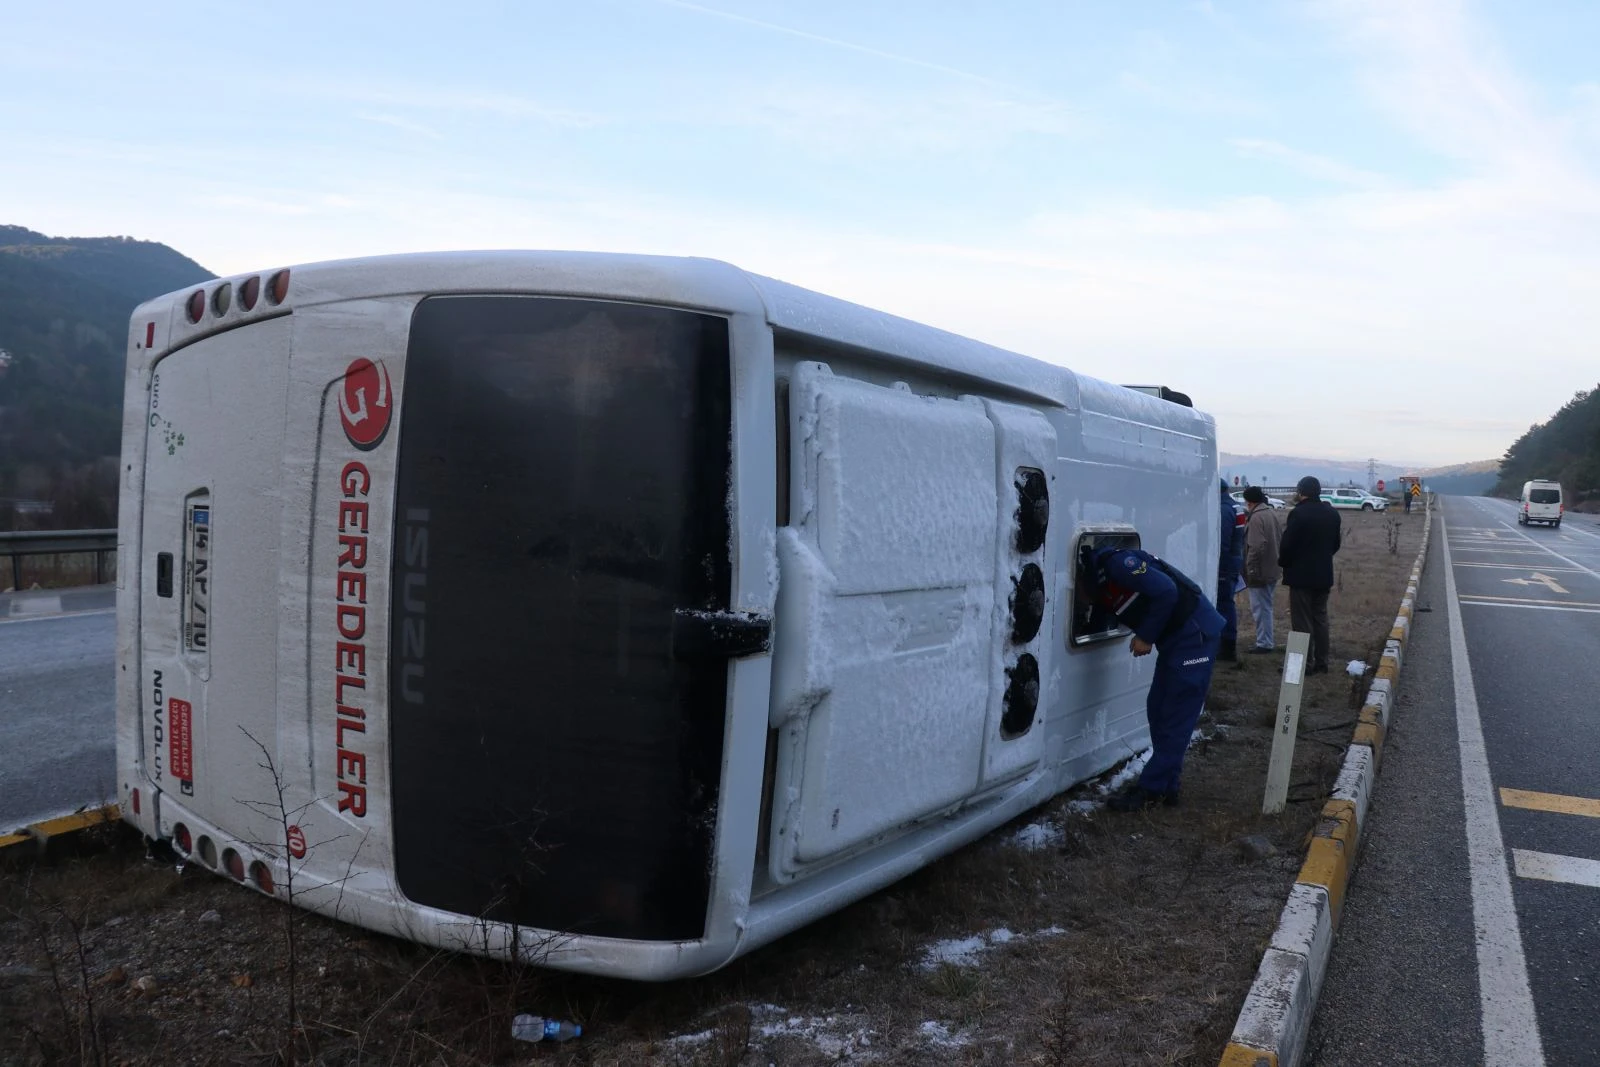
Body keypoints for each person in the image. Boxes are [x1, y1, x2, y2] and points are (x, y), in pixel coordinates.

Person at [1081, 543, 1225, 811]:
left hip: (1195, 636)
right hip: (1176, 641)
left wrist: (1145, 636)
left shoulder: (1117, 565)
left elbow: (1167, 591)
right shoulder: (1102, 583)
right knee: (1158, 708)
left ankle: (1151, 789)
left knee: (1176, 714)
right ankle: (1167, 786)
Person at [1277, 476, 1341, 674]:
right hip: (1323, 575)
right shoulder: (1332, 514)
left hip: (1301, 576)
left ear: (1301, 491)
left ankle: (1304, 665)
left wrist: (1284, 563)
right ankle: (1322, 662)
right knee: (1320, 619)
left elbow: (1287, 545)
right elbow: (1335, 544)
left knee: (1302, 621)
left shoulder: (1298, 514)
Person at [1241, 486, 1281, 653]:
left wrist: (1251, 570)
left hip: (1260, 571)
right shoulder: (1271, 513)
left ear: (1249, 502)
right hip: (1272, 567)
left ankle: (1264, 643)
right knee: (1266, 606)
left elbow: (1256, 546)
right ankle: (1266, 640)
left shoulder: (1256, 518)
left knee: (1261, 608)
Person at [1217, 480, 1245, 662]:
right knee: (1227, 603)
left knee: (1224, 604)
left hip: (1226, 564)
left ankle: (1227, 648)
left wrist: (1218, 565)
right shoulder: (1235, 506)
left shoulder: (1225, 509)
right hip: (1234, 560)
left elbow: (1222, 542)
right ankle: (1227, 645)